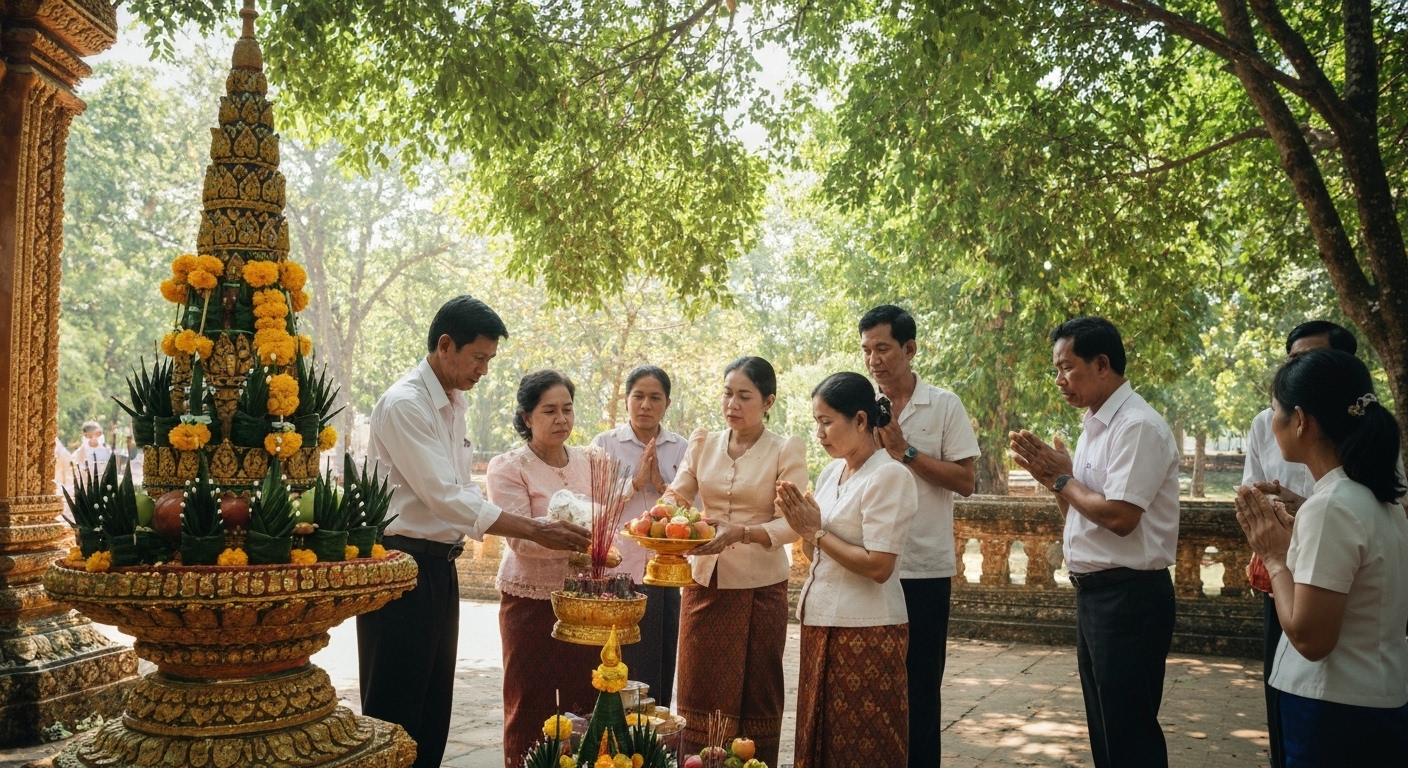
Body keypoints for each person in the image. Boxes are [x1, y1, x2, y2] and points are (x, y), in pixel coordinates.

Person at [355, 296, 590, 768]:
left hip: (439, 567)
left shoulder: (453, 404)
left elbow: (461, 490)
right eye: (478, 357)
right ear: (446, 346)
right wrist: (533, 528)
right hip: (400, 564)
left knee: (433, 706)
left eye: (489, 360)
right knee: (396, 708)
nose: (484, 370)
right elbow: (446, 496)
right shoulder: (406, 404)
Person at [1008, 316, 1180, 768]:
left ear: (1102, 364)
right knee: (1107, 728)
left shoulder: (1136, 426)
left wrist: (1060, 477)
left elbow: (1121, 518)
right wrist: (1057, 482)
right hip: (1097, 595)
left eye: (1067, 368)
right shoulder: (1094, 427)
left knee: (1130, 732)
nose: (1060, 381)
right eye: (1056, 370)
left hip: (1130, 596)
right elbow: (1080, 515)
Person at [1235, 349, 1408, 765]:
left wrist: (1275, 556)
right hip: (1377, 694)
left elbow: (1312, 639)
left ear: (1300, 420)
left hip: (1333, 707)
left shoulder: (1332, 505)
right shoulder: (1376, 499)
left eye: (1275, 409)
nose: (1270, 422)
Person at [663, 356, 807, 765]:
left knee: (755, 691)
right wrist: (661, 516)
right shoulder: (704, 442)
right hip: (703, 583)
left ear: (768, 401)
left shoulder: (784, 449)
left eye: (745, 396)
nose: (733, 403)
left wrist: (742, 532)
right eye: (728, 393)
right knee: (697, 689)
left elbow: (791, 525)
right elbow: (677, 495)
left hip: (760, 590)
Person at [858, 304, 978, 764]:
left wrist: (905, 451)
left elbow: (966, 482)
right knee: (870, 685)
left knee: (921, 688)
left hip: (924, 568)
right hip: (870, 565)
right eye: (867, 350)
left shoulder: (944, 404)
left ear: (909, 348)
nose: (874, 360)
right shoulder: (860, 406)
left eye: (883, 348)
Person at [780, 372, 919, 767]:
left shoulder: (889, 475)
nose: (820, 433)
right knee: (817, 733)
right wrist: (804, 525)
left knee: (862, 743)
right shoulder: (831, 474)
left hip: (868, 628)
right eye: (816, 423)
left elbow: (879, 566)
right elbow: (813, 549)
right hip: (821, 618)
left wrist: (816, 531)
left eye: (827, 422)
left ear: (860, 420)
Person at [1240, 320, 1357, 768]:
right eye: (1292, 361)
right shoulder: (1266, 425)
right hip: (1285, 578)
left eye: (1309, 360)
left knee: (1322, 682)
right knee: (1282, 685)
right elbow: (1251, 493)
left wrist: (1299, 518)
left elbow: (1386, 507)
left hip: (1333, 577)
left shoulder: (1361, 441)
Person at [489, 369, 609, 764]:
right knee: (531, 704)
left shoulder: (592, 461)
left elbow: (607, 522)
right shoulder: (508, 467)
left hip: (586, 603)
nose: (561, 419)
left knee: (587, 700)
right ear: (526, 417)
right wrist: (575, 539)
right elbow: (520, 538)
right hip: (532, 603)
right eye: (550, 411)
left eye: (568, 409)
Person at [591, 364, 689, 706]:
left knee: (659, 664)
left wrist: (661, 483)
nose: (645, 405)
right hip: (618, 572)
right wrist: (634, 483)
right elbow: (594, 504)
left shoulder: (681, 448)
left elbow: (693, 511)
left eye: (654, 397)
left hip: (663, 574)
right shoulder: (605, 444)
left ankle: (652, 741)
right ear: (627, 399)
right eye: (638, 396)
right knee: (616, 662)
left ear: (667, 403)